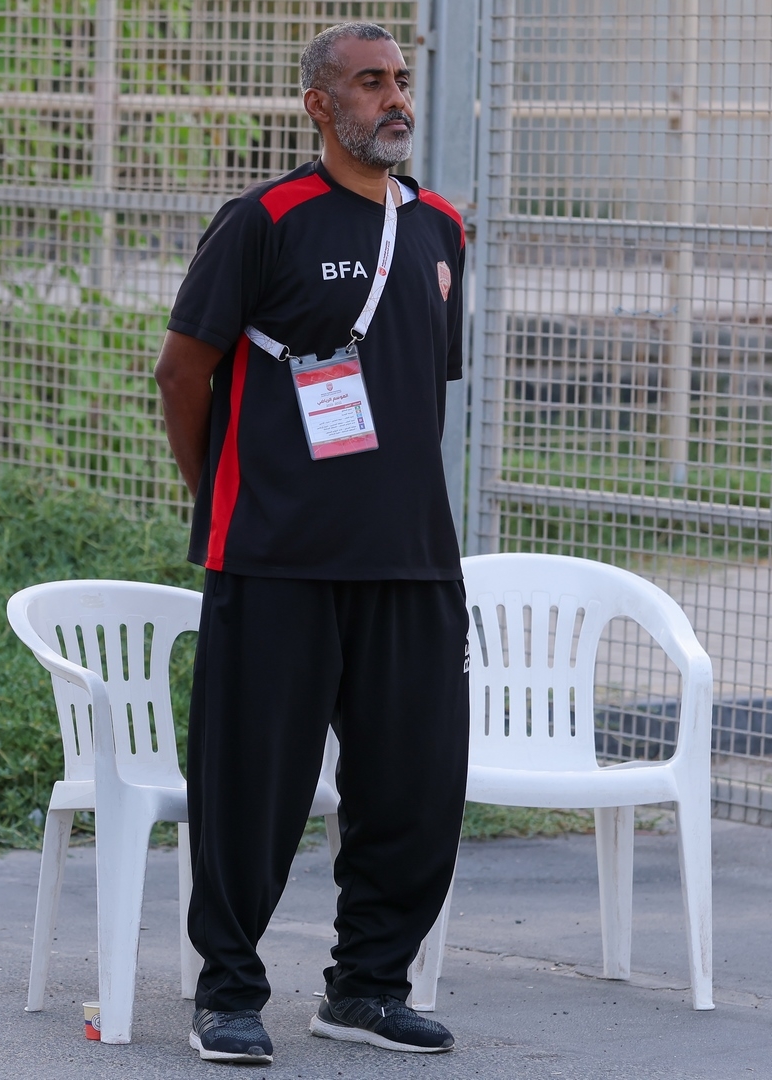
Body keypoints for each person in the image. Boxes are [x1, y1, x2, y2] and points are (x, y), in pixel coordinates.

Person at [153, 20, 469, 1064]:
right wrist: (225, 499)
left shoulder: (442, 230)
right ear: (320, 106)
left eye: (400, 79)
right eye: (370, 82)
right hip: (277, 554)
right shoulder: (264, 220)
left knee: (415, 788)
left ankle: (368, 988)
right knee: (252, 787)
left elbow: (414, 389)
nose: (396, 98)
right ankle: (228, 993)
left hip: (410, 558)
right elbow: (183, 373)